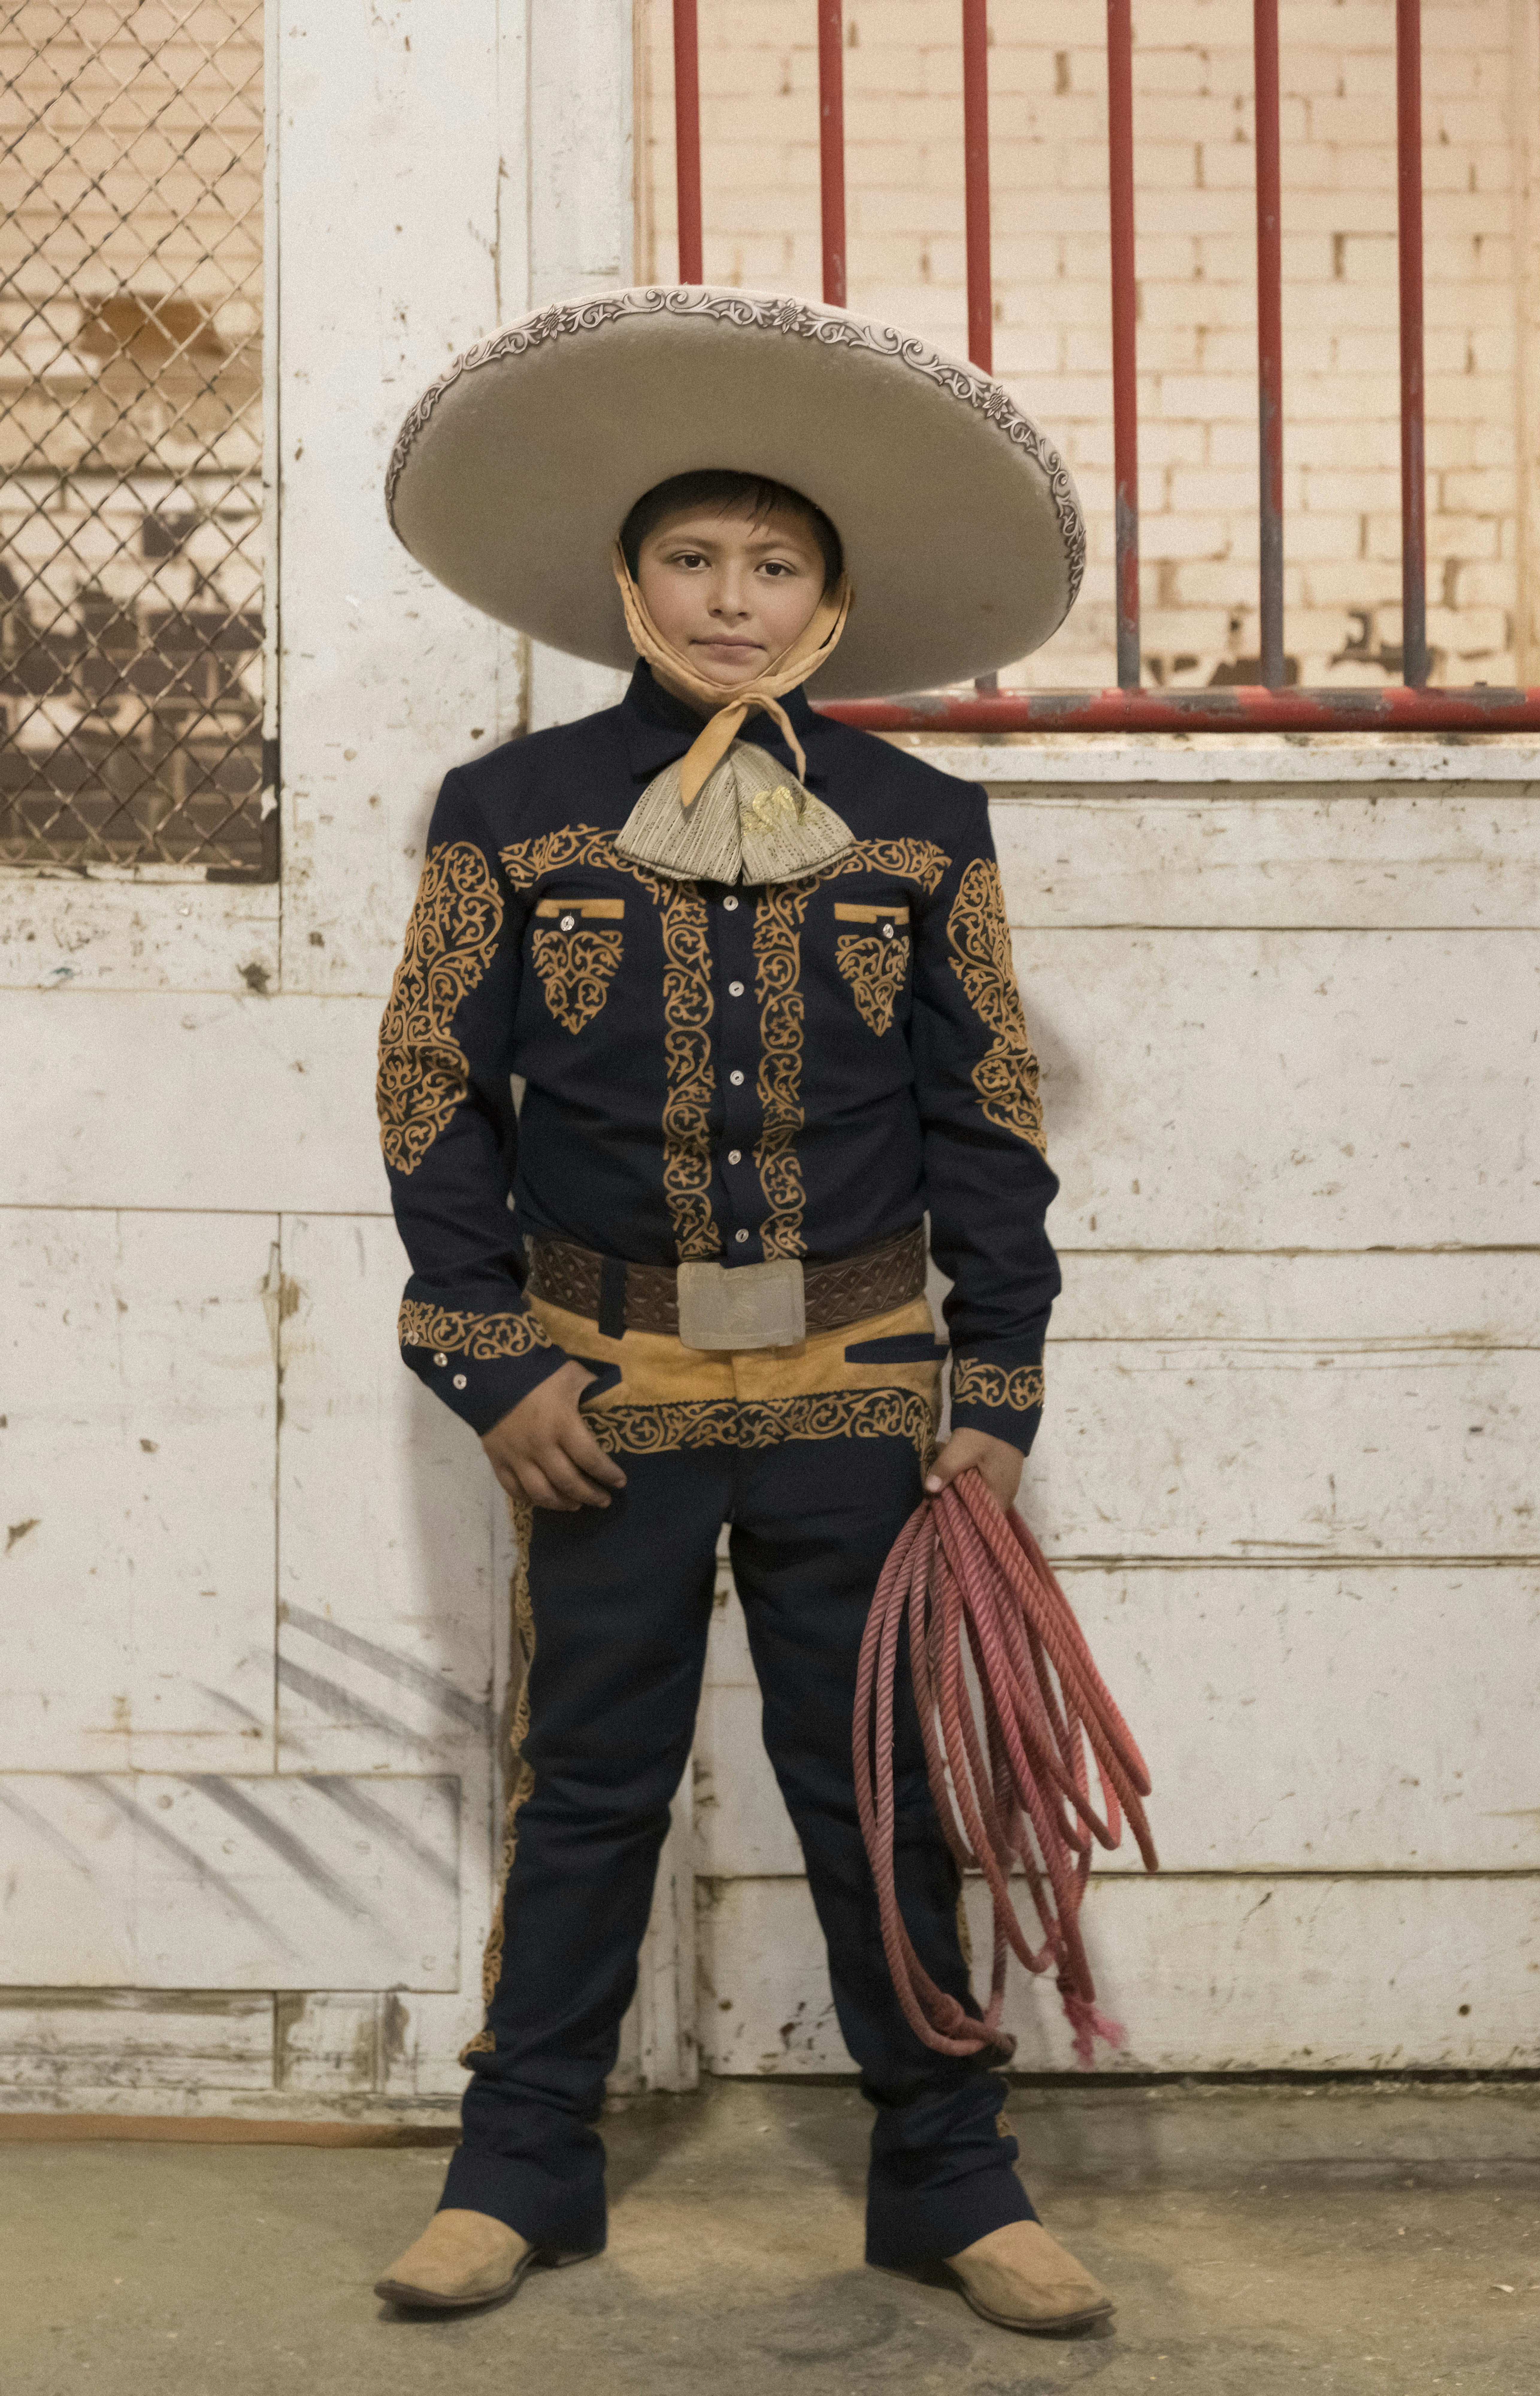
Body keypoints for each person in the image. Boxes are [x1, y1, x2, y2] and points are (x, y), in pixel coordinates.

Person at [370, 286, 1107, 2334]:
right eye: (689, 560)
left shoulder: (923, 822)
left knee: (885, 1777)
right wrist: (488, 1357)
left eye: (771, 565)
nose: (727, 598)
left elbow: (988, 1113)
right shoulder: (504, 813)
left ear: (831, 595)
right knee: (589, 1777)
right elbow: (432, 1093)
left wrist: (997, 1377)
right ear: (625, 581)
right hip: (597, 1386)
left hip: (864, 1385)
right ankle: (520, 2169)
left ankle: (947, 2182)